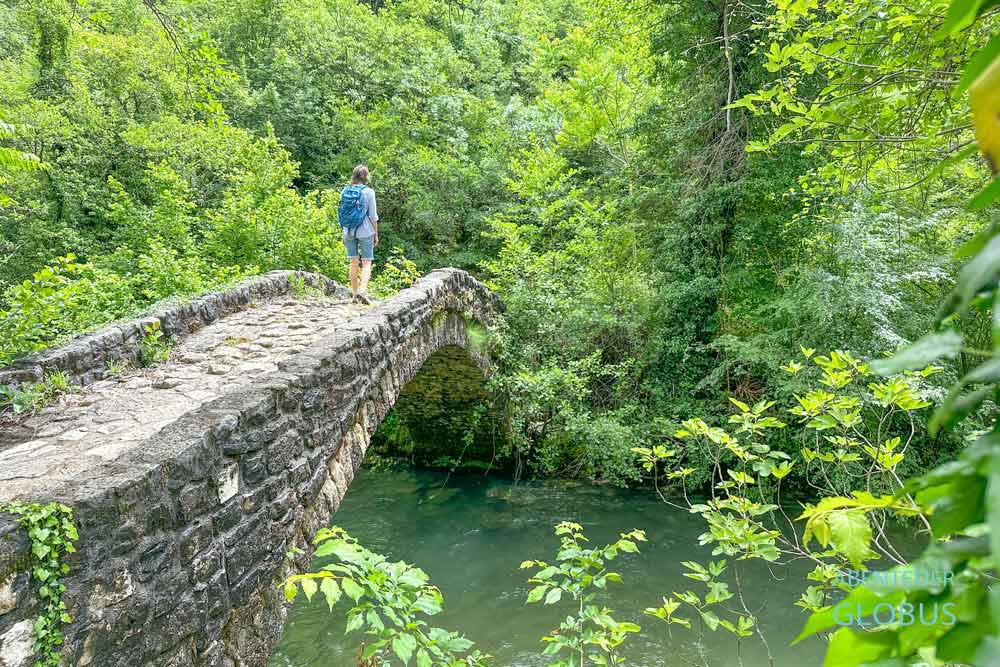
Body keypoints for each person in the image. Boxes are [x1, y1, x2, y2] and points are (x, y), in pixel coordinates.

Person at [339, 164, 379, 304]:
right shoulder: (369, 192)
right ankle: (362, 291)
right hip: (365, 231)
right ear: (366, 177)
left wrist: (343, 231)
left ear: (353, 176)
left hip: (348, 230)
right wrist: (376, 234)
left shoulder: (345, 191)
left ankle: (355, 294)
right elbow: (373, 216)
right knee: (366, 262)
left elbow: (342, 212)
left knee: (353, 261)